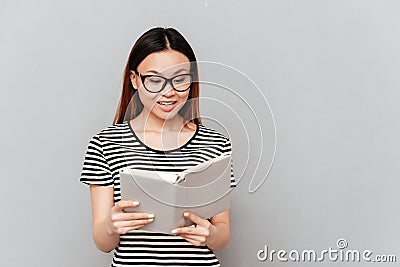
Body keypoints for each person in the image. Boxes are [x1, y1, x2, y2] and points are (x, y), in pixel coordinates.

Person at [80, 27, 236, 267]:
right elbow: (103, 242)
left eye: (180, 79)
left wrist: (211, 235)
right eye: (154, 80)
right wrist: (111, 226)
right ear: (134, 79)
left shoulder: (215, 144)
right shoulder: (105, 144)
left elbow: (222, 232)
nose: (169, 91)